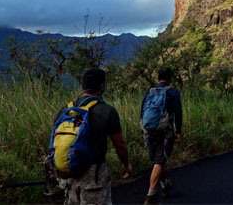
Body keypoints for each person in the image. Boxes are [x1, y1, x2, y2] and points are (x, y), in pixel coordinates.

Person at [56, 68, 132, 205]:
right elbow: (119, 144)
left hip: (69, 173)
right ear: (102, 86)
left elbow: (57, 141)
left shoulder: (66, 110)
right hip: (94, 175)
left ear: (83, 85)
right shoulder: (106, 111)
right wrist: (126, 164)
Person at [141, 67, 183, 205]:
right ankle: (151, 195)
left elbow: (142, 112)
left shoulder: (149, 92)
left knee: (158, 160)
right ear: (170, 78)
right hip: (165, 132)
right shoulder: (172, 92)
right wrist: (178, 131)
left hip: (149, 131)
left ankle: (164, 184)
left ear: (158, 78)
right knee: (159, 161)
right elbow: (178, 113)